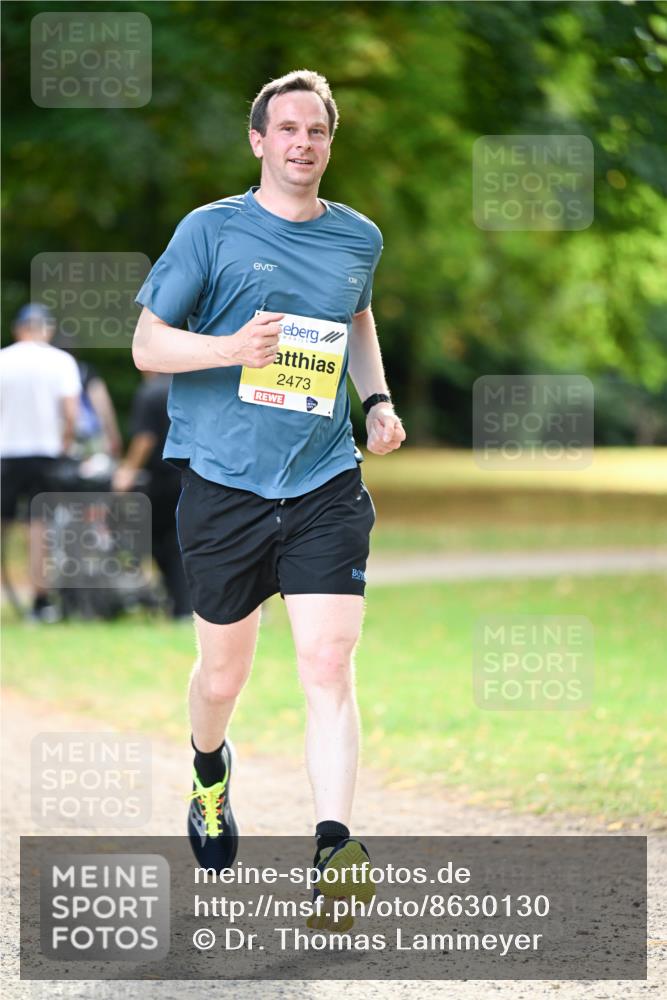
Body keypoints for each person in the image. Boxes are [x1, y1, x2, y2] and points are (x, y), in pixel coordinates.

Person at [132, 70, 405, 916]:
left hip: (323, 480)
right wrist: (228, 349)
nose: (301, 143)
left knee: (327, 662)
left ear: (329, 143)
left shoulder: (357, 237)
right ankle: (208, 771)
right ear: (258, 141)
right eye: (285, 128)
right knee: (223, 676)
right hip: (223, 482)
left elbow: (356, 318)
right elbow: (146, 344)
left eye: (315, 130)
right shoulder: (210, 229)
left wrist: (376, 400)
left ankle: (332, 844)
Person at [0, 303, 81, 621]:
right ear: (47, 329)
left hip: (6, 452)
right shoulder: (61, 361)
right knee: (39, 528)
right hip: (46, 453)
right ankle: (39, 602)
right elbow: (71, 414)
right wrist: (65, 444)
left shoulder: (4, 359)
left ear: (18, 329)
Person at [112, 371, 191, 619]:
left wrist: (127, 470)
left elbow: (145, 439)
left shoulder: (150, 393)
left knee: (157, 541)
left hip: (160, 479)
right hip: (190, 475)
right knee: (182, 540)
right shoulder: (188, 387)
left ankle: (177, 603)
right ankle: (183, 604)